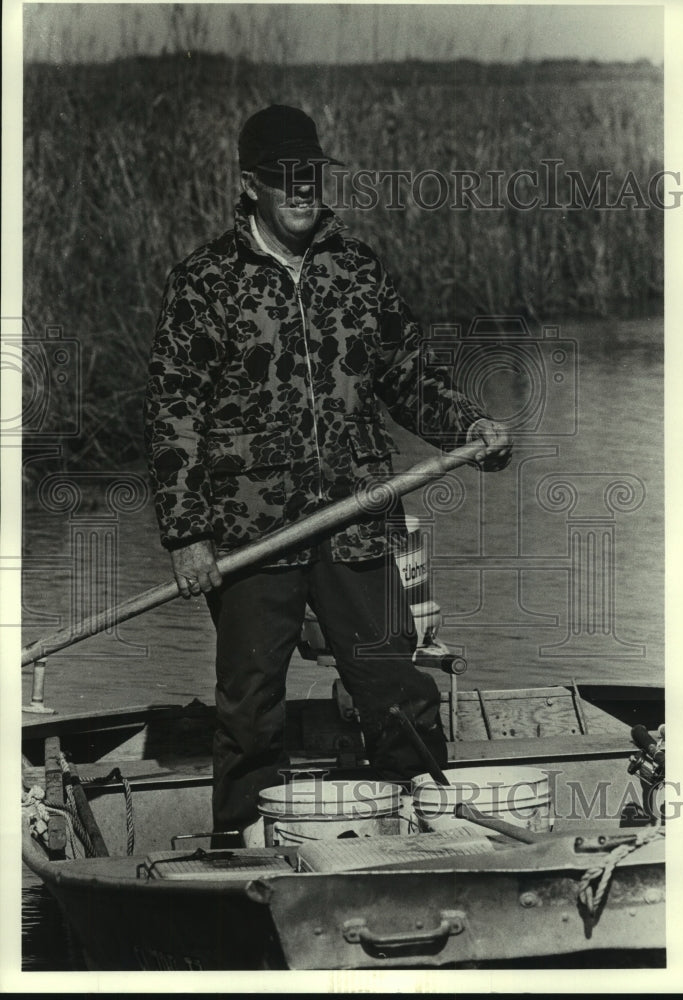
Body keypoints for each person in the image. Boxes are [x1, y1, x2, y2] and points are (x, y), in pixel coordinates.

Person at [145, 105, 512, 842]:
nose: (303, 190)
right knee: (249, 703)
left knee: (395, 686)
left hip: (357, 516)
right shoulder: (204, 282)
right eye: (285, 179)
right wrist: (187, 535)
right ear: (250, 186)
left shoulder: (357, 268)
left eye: (311, 174)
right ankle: (241, 848)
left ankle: (422, 833)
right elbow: (173, 416)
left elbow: (408, 378)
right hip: (252, 532)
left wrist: (466, 425)